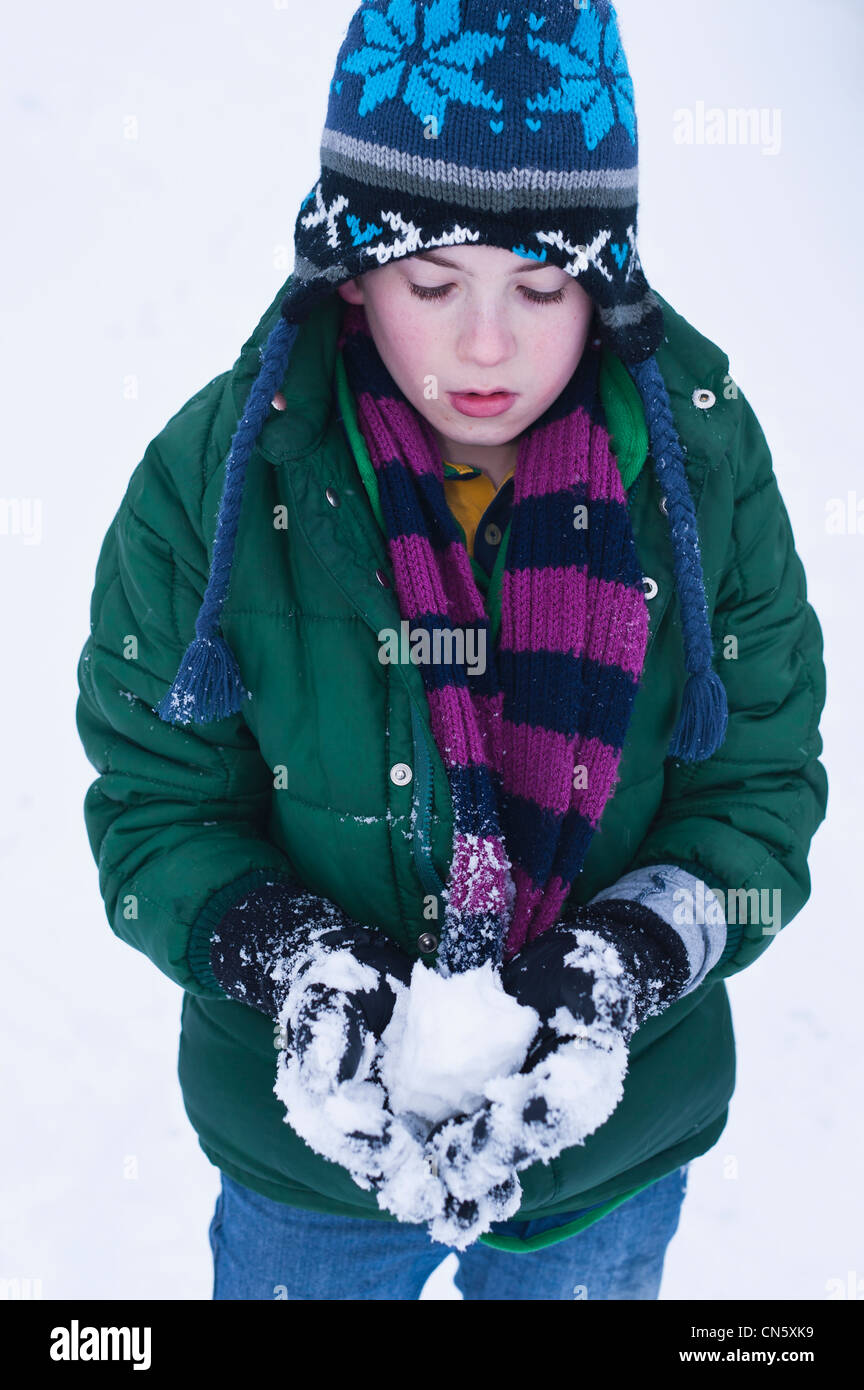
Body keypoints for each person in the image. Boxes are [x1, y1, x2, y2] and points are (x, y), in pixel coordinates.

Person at [75, 0, 828, 1300]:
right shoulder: (220, 477)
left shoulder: (700, 471)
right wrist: (290, 960)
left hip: (598, 1157)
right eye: (432, 284)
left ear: (608, 285)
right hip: (310, 1167)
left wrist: (635, 955)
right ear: (348, 274)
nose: (488, 345)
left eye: (542, 287)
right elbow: (155, 804)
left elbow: (757, 785)